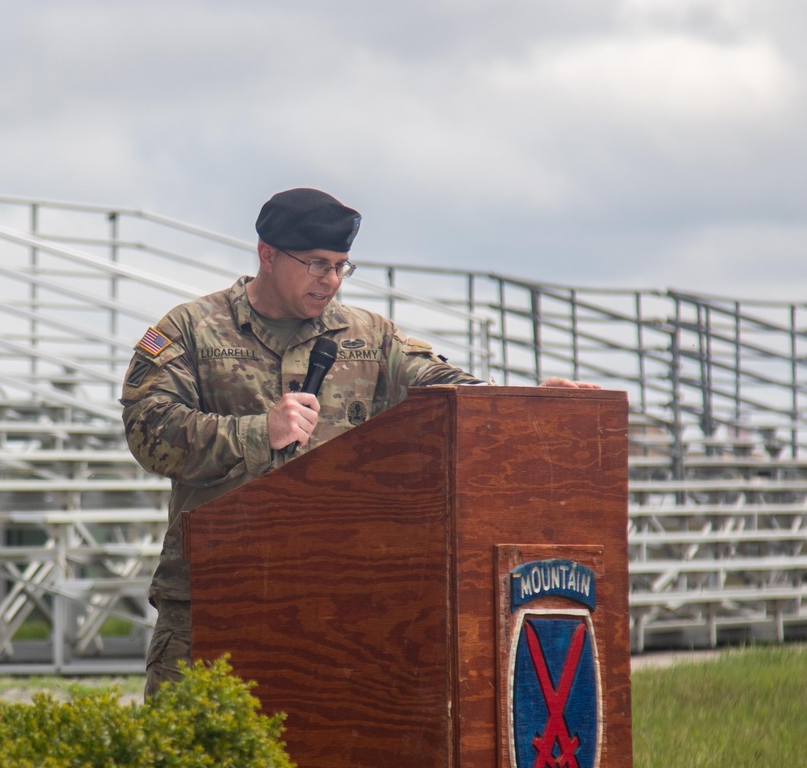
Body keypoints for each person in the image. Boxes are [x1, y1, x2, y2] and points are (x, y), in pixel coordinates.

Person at [120, 188, 596, 698]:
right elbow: (149, 431)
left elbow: (442, 385)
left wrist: (524, 401)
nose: (330, 280)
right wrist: (260, 432)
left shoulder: (369, 337)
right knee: (190, 765)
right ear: (267, 254)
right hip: (216, 596)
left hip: (337, 599)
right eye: (316, 264)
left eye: (342, 266)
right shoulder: (191, 331)